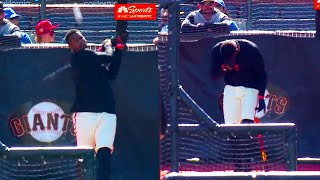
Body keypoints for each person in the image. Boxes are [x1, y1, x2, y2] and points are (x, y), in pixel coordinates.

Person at [64, 29, 125, 180]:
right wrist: (108, 44)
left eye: (81, 37)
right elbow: (109, 57)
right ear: (70, 45)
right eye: (76, 39)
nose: (81, 40)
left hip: (107, 114)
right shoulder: (82, 56)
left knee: (104, 154)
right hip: (85, 116)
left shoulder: (92, 60)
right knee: (85, 158)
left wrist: (118, 48)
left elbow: (112, 73)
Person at [211, 39, 267, 171]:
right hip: (230, 89)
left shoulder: (251, 49)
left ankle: (247, 164)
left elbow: (261, 74)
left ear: (237, 51)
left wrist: (261, 96)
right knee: (231, 129)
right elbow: (213, 74)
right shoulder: (217, 51)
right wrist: (223, 68)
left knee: (246, 126)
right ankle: (237, 165)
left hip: (250, 89)